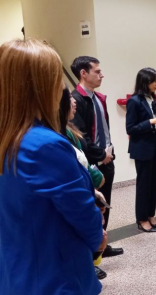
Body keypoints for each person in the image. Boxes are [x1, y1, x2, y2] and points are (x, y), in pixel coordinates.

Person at [0, 39, 103, 294]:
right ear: (39, 86)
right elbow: (80, 211)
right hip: (56, 276)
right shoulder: (44, 146)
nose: (62, 87)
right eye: (57, 77)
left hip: (17, 268)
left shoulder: (9, 138)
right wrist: (98, 237)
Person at [71, 56, 124, 257]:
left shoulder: (99, 98)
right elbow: (81, 136)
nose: (102, 74)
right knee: (93, 208)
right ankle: (92, 255)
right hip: (92, 163)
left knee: (105, 204)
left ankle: (102, 246)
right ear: (83, 73)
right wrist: (101, 155)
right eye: (97, 71)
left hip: (107, 160)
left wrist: (109, 153)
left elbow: (105, 130)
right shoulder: (76, 100)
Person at [59, 85, 109, 279]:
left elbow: (83, 161)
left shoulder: (68, 129)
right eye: (66, 97)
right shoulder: (55, 138)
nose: (73, 101)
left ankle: (92, 260)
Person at [126, 68, 156, 232]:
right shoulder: (135, 101)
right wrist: (151, 121)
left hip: (155, 145)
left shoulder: (153, 99)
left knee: (153, 183)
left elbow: (155, 122)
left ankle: (150, 214)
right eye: (154, 81)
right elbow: (131, 128)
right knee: (143, 184)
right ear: (144, 81)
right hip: (142, 148)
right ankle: (141, 218)